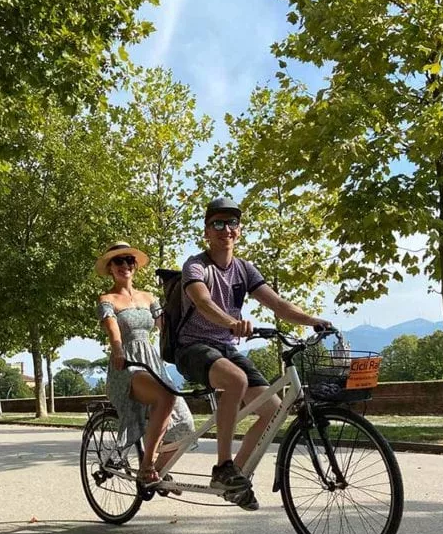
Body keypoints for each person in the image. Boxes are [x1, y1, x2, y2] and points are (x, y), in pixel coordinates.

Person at [175, 197, 332, 510]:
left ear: (239, 231)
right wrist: (233, 323)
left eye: (232, 223)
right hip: (192, 347)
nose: (226, 229)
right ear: (207, 231)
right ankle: (223, 467)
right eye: (217, 223)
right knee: (235, 381)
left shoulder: (244, 269)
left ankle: (237, 476)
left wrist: (313, 320)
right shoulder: (196, 265)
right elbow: (204, 303)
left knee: (274, 409)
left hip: (226, 347)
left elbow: (278, 304)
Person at [96, 242, 195, 486]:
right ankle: (147, 465)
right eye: (118, 261)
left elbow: (164, 328)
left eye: (129, 260)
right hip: (127, 364)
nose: (125, 265)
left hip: (153, 361)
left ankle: (156, 474)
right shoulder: (107, 299)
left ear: (135, 266)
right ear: (110, 268)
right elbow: (112, 327)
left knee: (185, 423)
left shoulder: (148, 297)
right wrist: (118, 348)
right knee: (165, 397)